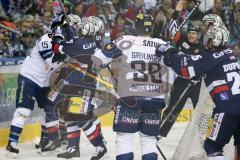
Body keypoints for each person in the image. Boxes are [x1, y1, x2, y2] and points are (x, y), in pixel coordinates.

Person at [156, 24, 240, 160]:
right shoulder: (230, 54)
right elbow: (196, 73)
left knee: (212, 147)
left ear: (214, 41)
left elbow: (185, 69)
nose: (205, 42)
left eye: (209, 39)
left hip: (227, 109)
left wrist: (169, 51)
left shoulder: (211, 57)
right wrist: (171, 61)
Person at [104, 13, 169, 160]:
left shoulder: (126, 40)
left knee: (125, 139)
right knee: (148, 140)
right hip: (155, 99)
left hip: (130, 98)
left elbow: (100, 57)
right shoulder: (162, 44)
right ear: (151, 27)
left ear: (135, 26)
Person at [50, 15, 108, 160]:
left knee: (80, 118)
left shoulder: (77, 44)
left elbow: (57, 47)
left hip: (81, 87)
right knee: (71, 116)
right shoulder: (92, 41)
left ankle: (100, 146)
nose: (79, 29)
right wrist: (70, 29)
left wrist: (58, 31)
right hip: (78, 84)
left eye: (81, 28)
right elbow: (75, 39)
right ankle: (73, 148)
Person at [5, 25, 61, 157]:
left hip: (46, 82)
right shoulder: (46, 39)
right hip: (29, 77)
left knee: (50, 110)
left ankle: (45, 141)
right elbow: (51, 61)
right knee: (23, 111)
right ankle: (11, 145)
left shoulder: (66, 43)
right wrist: (68, 56)